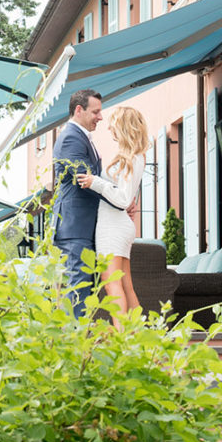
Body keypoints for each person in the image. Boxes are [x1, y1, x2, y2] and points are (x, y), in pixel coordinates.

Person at [77, 106, 149, 321]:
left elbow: (124, 199)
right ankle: (136, 334)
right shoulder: (132, 157)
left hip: (113, 228)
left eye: (113, 124)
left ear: (124, 127)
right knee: (125, 284)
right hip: (117, 225)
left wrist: (95, 182)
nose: (109, 128)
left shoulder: (133, 158)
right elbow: (127, 197)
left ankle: (121, 336)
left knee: (111, 283)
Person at [49, 88, 103, 318]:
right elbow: (85, 177)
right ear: (79, 110)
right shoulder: (71, 137)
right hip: (75, 227)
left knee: (79, 285)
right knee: (78, 287)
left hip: (79, 225)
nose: (100, 117)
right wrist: (118, 195)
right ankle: (76, 344)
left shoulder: (79, 136)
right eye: (96, 112)